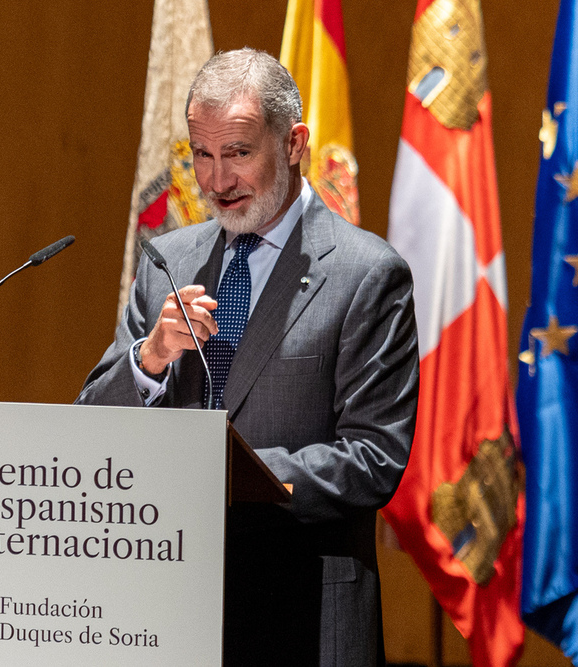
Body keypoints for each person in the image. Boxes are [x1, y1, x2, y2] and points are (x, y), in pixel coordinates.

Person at [76, 48, 419, 667]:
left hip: (302, 614)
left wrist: (229, 476)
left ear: (293, 144)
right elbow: (93, 420)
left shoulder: (367, 275)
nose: (214, 181)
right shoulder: (168, 263)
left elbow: (373, 458)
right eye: (201, 155)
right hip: (171, 617)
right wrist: (150, 357)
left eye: (237, 153)